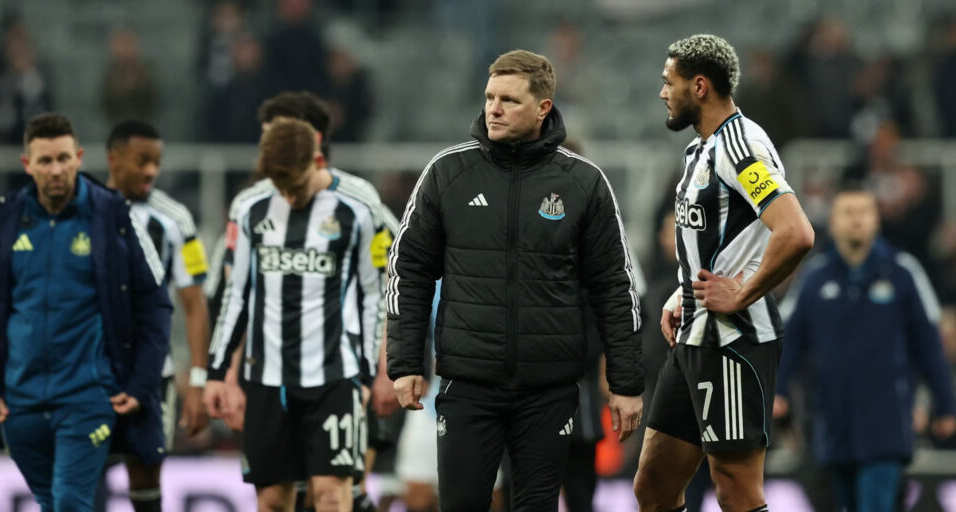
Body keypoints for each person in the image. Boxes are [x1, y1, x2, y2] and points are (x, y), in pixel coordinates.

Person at [386, 49, 644, 512]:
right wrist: (406, 362)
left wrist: (625, 383)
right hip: (467, 384)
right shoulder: (447, 173)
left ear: (543, 108)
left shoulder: (583, 182)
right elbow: (409, 271)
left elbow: (613, 287)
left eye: (508, 99)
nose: (494, 109)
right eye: (489, 97)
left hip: (549, 389)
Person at [633, 34, 815, 512]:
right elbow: (714, 241)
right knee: (652, 485)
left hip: (733, 341)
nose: (661, 93)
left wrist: (745, 293)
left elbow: (795, 232)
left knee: (734, 487)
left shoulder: (740, 146)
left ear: (699, 86)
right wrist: (681, 292)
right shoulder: (699, 151)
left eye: (667, 82)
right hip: (692, 336)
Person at [0, 113, 171, 511]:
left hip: (87, 396)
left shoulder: (115, 217)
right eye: (45, 161)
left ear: (79, 157)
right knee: (55, 504)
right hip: (20, 400)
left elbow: (156, 302)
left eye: (63, 158)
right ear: (28, 165)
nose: (56, 170)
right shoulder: (2, 219)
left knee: (71, 504)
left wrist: (143, 380)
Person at [205, 117, 391, 512]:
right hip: (267, 382)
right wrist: (217, 373)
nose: (289, 197)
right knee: (273, 500)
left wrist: (366, 371)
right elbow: (235, 296)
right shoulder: (250, 211)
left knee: (331, 495)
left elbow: (373, 297)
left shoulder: (357, 212)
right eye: (280, 187)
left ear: (318, 161)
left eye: (297, 185)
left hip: (334, 379)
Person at [774, 187, 956, 512]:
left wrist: (946, 404)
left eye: (864, 212)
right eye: (848, 212)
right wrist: (778, 390)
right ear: (832, 221)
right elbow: (790, 339)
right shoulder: (814, 279)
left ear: (877, 221)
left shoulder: (903, 273)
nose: (856, 220)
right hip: (832, 420)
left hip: (887, 420)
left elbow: (928, 344)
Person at [104, 120, 211, 511]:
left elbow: (195, 302)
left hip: (153, 374)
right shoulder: (83, 210)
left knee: (146, 471)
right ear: (113, 159)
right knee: (80, 472)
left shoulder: (174, 218)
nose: (151, 170)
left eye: (157, 162)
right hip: (90, 369)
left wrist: (198, 381)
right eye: (141, 161)